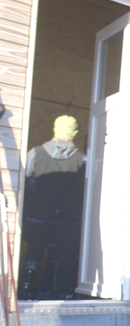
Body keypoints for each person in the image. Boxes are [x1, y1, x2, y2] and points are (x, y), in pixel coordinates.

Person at [20, 115, 87, 300]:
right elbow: (85, 190)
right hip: (69, 218)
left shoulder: (35, 152)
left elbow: (24, 182)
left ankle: (25, 290)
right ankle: (63, 292)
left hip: (38, 215)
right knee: (64, 255)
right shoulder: (82, 159)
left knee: (34, 252)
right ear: (74, 132)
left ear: (55, 129)